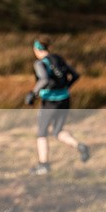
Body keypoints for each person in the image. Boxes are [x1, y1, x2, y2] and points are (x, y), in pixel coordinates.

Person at [24, 36, 90, 175]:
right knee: (57, 131)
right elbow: (75, 75)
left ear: (36, 49)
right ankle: (80, 146)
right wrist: (66, 87)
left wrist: (33, 93)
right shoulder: (58, 59)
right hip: (65, 99)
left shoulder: (40, 63)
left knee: (42, 132)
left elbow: (44, 79)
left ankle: (43, 165)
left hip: (50, 102)